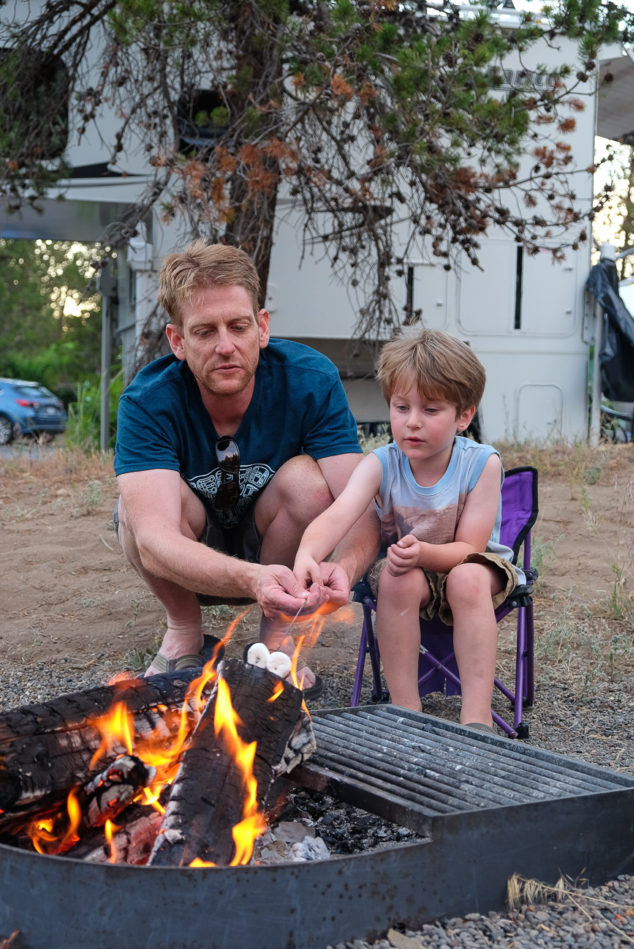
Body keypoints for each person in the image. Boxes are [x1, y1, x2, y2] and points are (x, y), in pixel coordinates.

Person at [113, 240, 378, 681]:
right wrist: (253, 579)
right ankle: (183, 631)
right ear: (177, 340)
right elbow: (156, 542)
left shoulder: (311, 379)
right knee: (134, 512)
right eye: (204, 331)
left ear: (262, 327)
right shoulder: (147, 401)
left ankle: (277, 638)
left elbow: (361, 503)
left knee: (309, 482)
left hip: (277, 541)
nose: (225, 346)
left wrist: (345, 569)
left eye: (238, 326)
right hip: (190, 553)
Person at [293, 327, 522, 728]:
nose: (412, 423)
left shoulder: (480, 464)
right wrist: (307, 554)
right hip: (409, 569)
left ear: (464, 416)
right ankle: (405, 711)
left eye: (431, 410)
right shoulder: (381, 463)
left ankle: (477, 718)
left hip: (471, 565)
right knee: (395, 578)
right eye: (402, 408)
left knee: (465, 579)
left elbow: (471, 546)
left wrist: (425, 553)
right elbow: (338, 514)